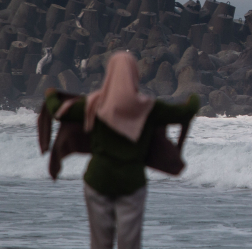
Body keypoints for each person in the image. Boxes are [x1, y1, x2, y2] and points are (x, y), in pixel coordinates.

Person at [44, 51, 200, 249]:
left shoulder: (94, 105)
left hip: (98, 181)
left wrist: (50, 96)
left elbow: (58, 111)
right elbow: (185, 113)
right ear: (135, 74)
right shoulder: (148, 109)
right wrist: (194, 99)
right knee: (130, 244)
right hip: (132, 184)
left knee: (100, 244)